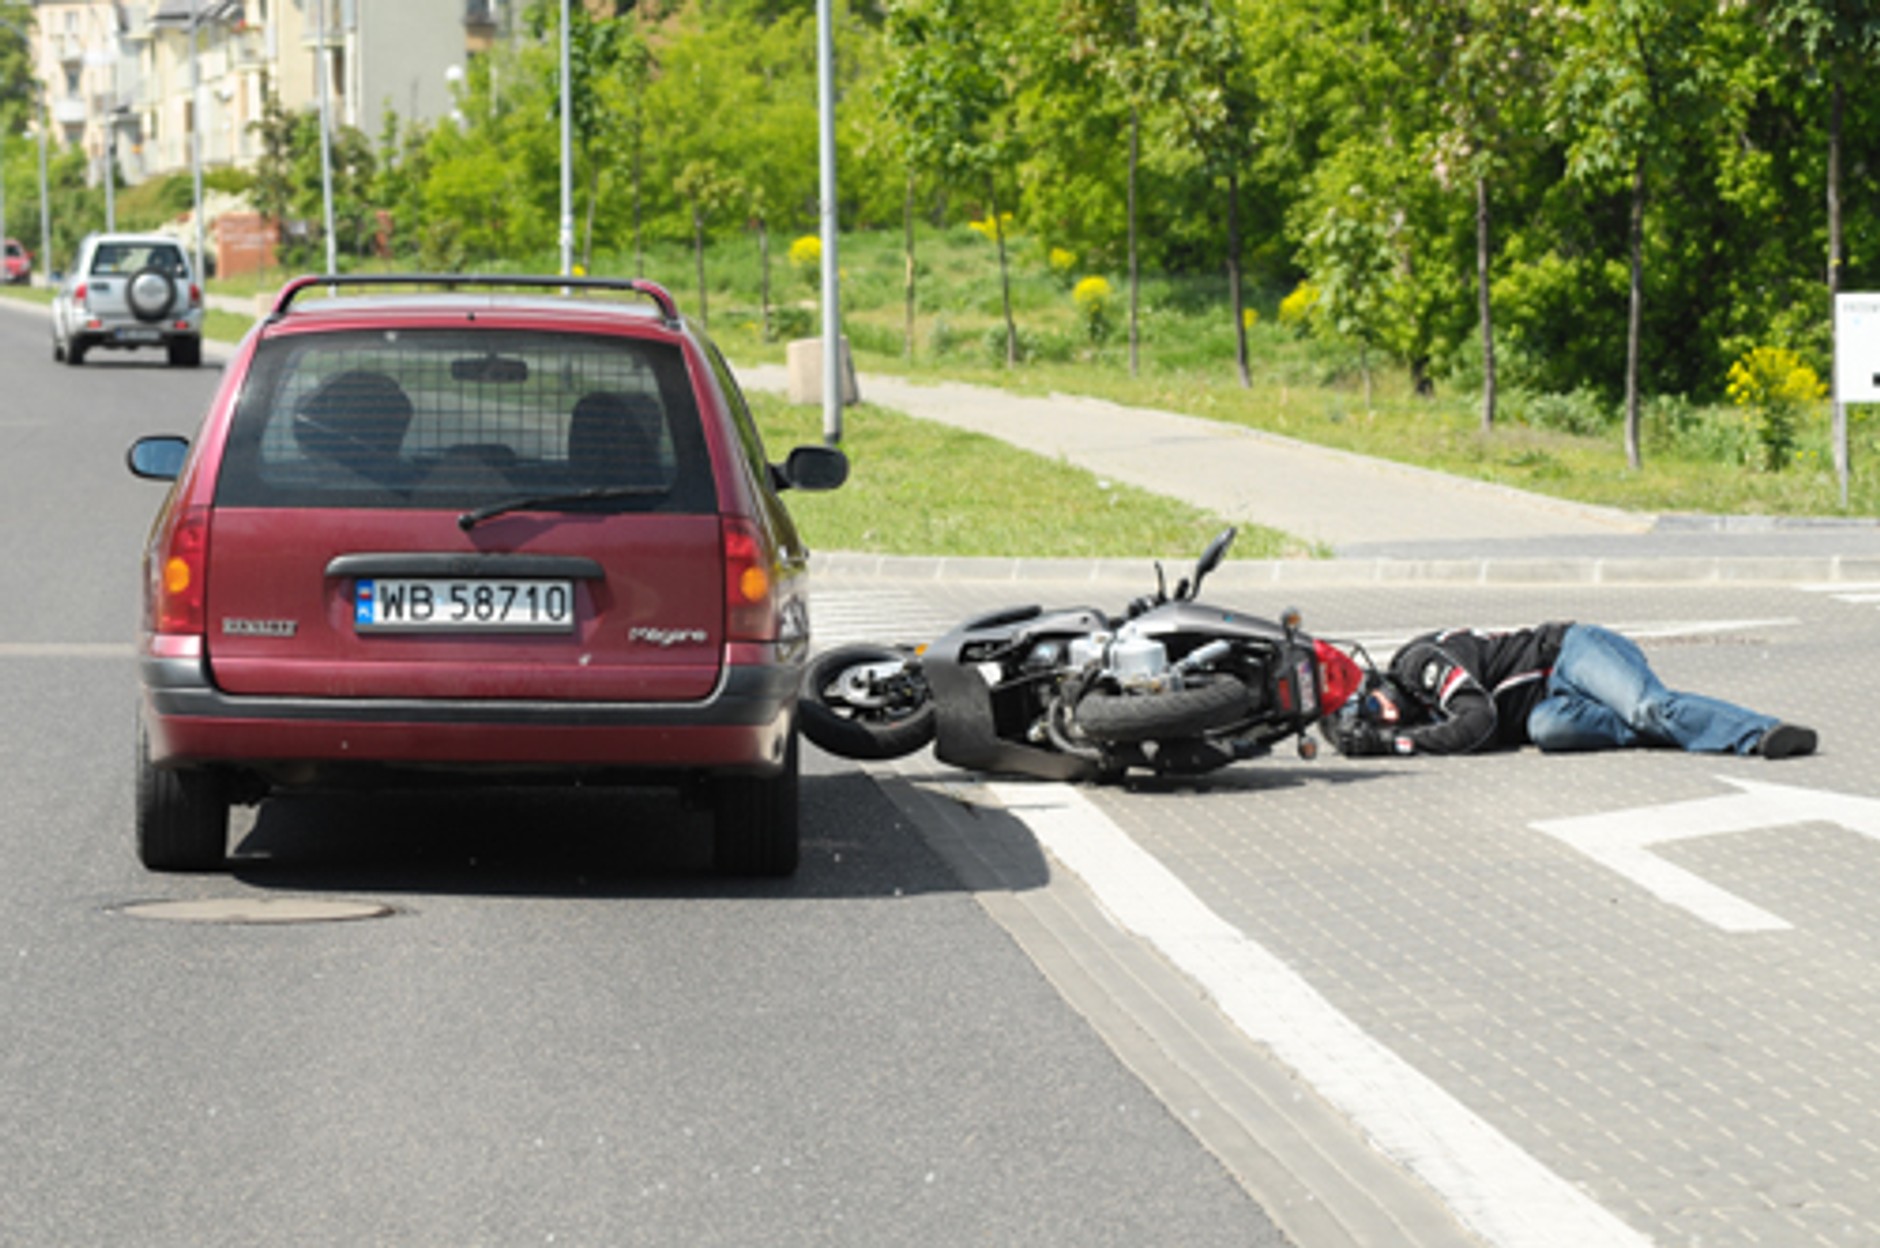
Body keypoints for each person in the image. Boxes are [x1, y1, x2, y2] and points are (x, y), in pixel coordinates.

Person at [1321, 621, 1817, 759]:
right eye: (1370, 723)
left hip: (1569, 653)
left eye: (1368, 705)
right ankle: (1673, 729)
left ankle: (1759, 733)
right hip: (1552, 704)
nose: (1383, 716)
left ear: (1373, 683)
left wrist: (1393, 745)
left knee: (1648, 706)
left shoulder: (1417, 665)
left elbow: (1477, 723)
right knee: (1547, 731)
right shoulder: (1418, 719)